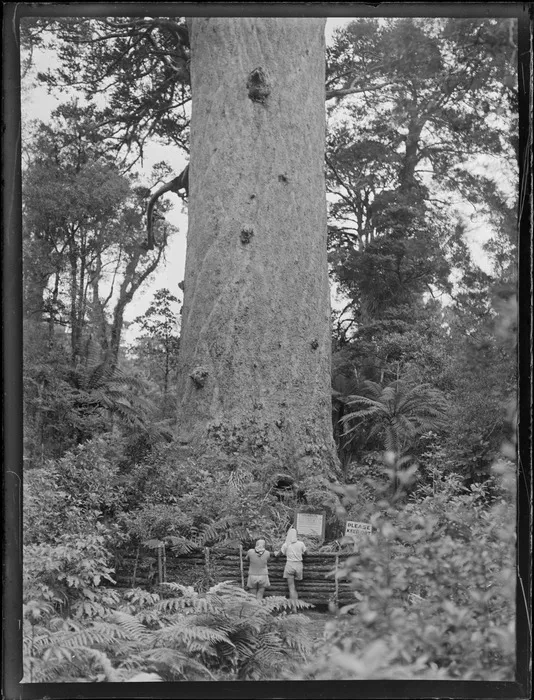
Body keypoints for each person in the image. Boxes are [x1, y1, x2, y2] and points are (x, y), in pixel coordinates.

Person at [277, 527, 306, 607]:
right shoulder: (301, 544)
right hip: (299, 565)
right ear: (296, 535)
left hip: (289, 565)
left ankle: (294, 608)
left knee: (291, 588)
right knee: (295, 588)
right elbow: (306, 553)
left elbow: (279, 554)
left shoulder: (286, 544)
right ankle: (296, 605)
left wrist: (276, 554)